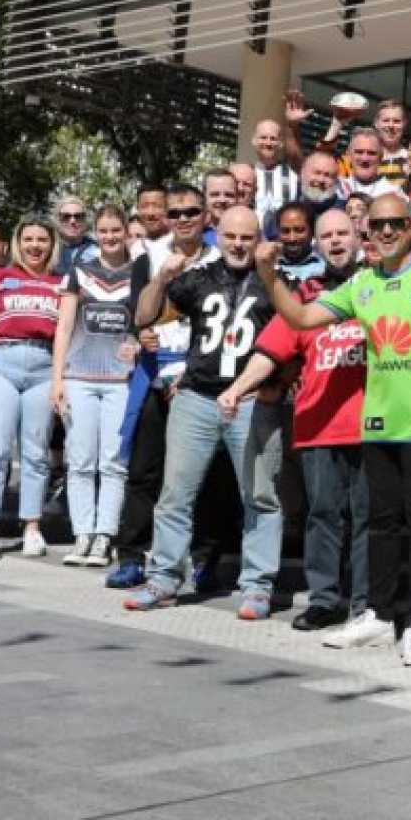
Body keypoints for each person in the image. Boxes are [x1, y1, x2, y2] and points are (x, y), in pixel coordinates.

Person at [261, 193, 411, 667]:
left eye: (394, 224)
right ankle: (380, 616)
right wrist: (269, 275)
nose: (384, 232)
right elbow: (300, 317)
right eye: (376, 226)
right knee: (380, 525)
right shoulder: (363, 282)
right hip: (380, 425)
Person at [124, 206, 283, 621]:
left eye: (247, 237)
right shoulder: (200, 278)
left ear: (259, 239)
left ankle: (258, 585)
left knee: (260, 496)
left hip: (251, 399)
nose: (238, 244)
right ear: (218, 235)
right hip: (197, 397)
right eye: (231, 235)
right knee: (175, 494)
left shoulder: (273, 280)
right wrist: (161, 278)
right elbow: (143, 317)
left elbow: (295, 327)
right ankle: (162, 578)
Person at [217, 208, 369, 632]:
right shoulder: (303, 294)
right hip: (319, 423)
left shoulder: (378, 286)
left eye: (343, 233)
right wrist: (236, 389)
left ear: (358, 236)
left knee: (366, 516)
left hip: (374, 423)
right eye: (327, 236)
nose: (336, 241)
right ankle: (325, 600)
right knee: (323, 515)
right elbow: (271, 351)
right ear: (317, 244)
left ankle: (364, 603)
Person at [107, 184, 220, 590]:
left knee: (204, 475)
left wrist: (192, 372)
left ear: (206, 215)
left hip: (202, 378)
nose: (184, 219)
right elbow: (138, 314)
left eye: (192, 211)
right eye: (175, 213)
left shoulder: (222, 257)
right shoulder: (149, 256)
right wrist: (142, 332)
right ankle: (133, 556)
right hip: (155, 374)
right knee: (144, 471)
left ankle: (205, 559)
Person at [0, 218, 63, 561]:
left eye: (42, 240)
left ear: (52, 245)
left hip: (44, 366)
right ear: (18, 243)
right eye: (29, 239)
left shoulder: (61, 281)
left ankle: (32, 527)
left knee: (35, 452)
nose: (35, 246)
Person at [50, 205, 137, 568]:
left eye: (116, 230)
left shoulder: (140, 272)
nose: (111, 236)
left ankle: (105, 535)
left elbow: (146, 320)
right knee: (81, 461)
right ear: (96, 233)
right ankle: (82, 533)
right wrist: (57, 378)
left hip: (121, 381)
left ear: (125, 233)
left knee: (114, 463)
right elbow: (64, 327)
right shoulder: (79, 271)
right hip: (79, 378)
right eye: (104, 230)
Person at [263, 151, 345, 238]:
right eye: (317, 173)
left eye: (328, 175)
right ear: (302, 174)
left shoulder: (346, 211)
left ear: (336, 181)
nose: (321, 180)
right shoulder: (282, 214)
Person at [250, 117, 299, 226]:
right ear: (253, 140)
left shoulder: (293, 176)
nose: (268, 143)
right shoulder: (246, 175)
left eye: (273, 138)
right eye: (263, 137)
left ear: (281, 143)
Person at [339, 128, 404, 200]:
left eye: (371, 153)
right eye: (359, 152)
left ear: (381, 157)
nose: (365, 159)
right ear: (348, 155)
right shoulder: (338, 188)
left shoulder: (393, 193)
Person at [271, 202, 325, 284]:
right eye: (285, 231)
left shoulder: (324, 268)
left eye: (299, 230)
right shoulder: (268, 267)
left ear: (312, 231)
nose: (292, 238)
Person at [55, 196, 96, 272]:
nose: (72, 221)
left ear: (85, 220)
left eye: (78, 216)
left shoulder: (97, 251)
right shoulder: (48, 249)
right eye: (66, 216)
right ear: (58, 220)